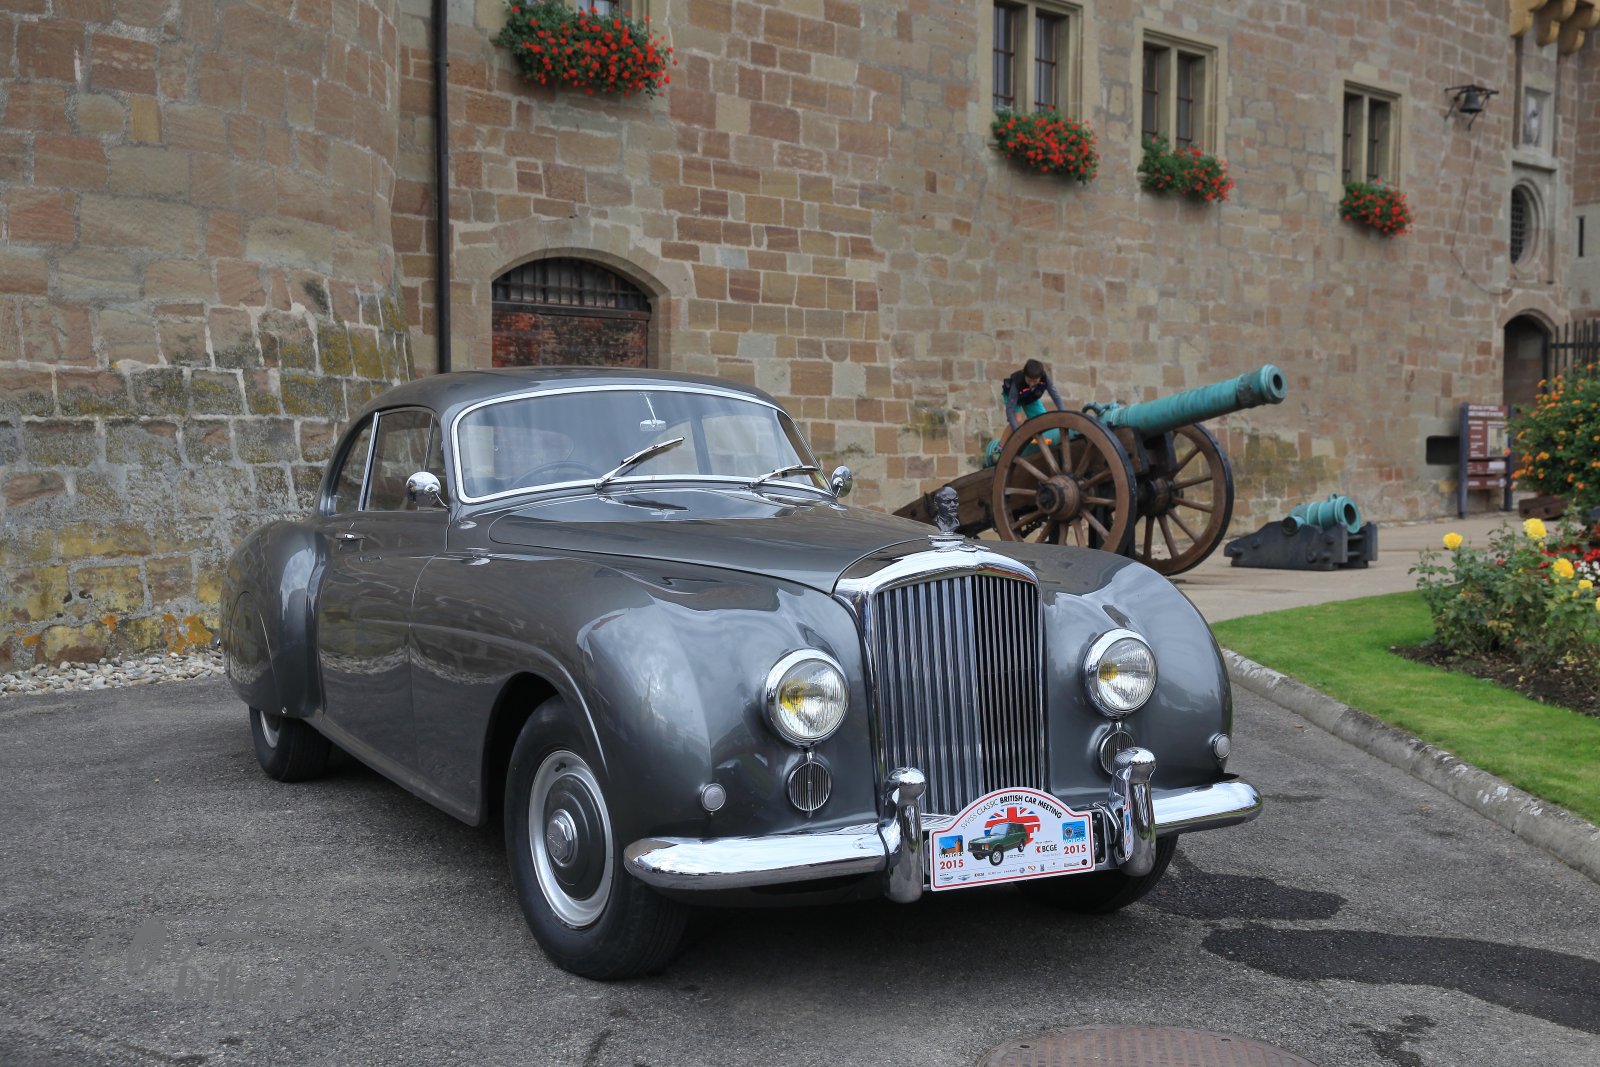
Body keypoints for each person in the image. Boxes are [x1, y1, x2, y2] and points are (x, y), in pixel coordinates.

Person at [999, 358, 1065, 445]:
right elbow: (1010, 411)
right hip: (1013, 397)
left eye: (1035, 381)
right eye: (1029, 380)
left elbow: (1055, 396)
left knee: (1042, 418)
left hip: (1029, 396)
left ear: (1040, 377)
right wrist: (1017, 433)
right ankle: (1000, 446)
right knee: (1018, 420)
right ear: (1024, 374)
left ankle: (1032, 434)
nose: (1032, 384)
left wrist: (1063, 413)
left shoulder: (1046, 379)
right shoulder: (1017, 383)